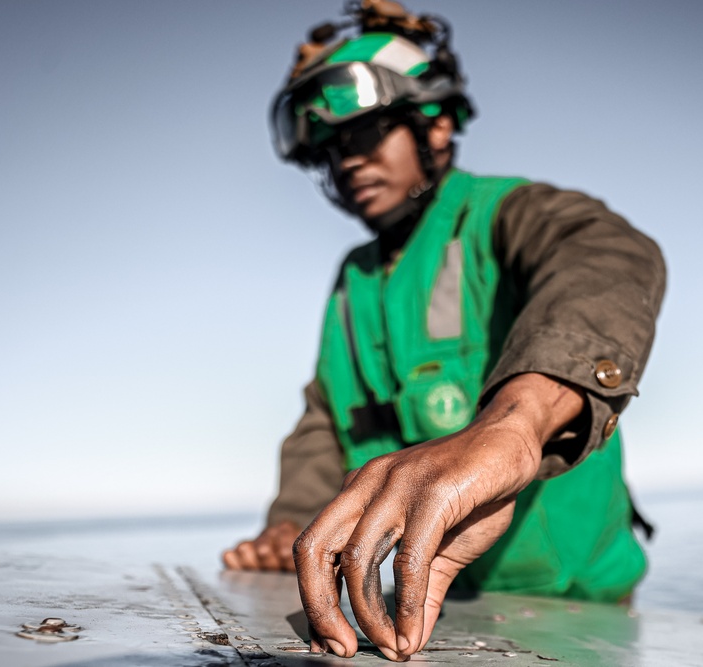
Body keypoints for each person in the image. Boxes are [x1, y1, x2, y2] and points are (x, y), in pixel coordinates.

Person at [222, 0, 666, 660]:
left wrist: (514, 423)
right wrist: (290, 518)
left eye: (366, 135)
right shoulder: (353, 280)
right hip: (433, 610)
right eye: (330, 150)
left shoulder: (502, 214)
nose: (346, 163)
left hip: (578, 607)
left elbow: (607, 252)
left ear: (433, 125)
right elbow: (327, 417)